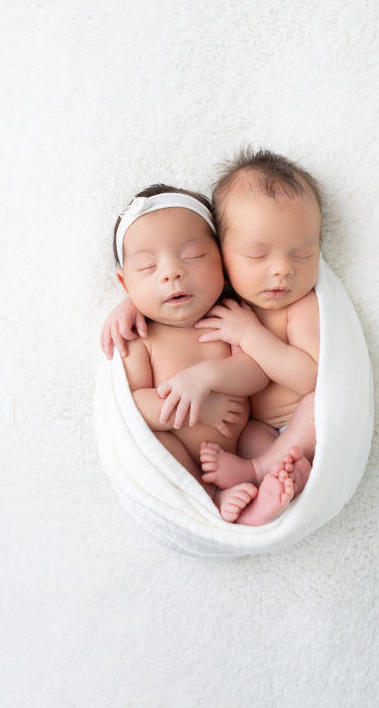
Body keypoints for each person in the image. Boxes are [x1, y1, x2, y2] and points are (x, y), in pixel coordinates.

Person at [102, 150, 322, 516]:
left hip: (241, 444)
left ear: (223, 260)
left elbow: (254, 370)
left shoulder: (227, 312)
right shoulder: (140, 335)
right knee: (159, 447)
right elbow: (131, 405)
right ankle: (208, 500)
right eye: (148, 266)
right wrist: (199, 406)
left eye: (193, 257)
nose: (171, 274)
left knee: (264, 438)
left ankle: (264, 488)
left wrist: (209, 376)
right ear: (125, 282)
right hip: (182, 447)